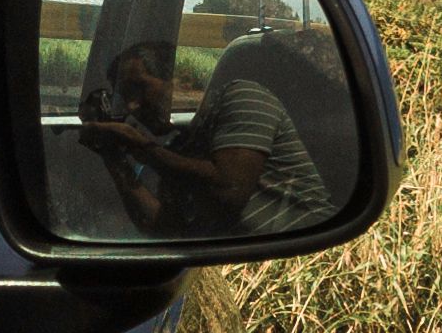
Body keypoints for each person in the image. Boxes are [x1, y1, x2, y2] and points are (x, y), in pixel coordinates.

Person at [76, 39, 334, 235]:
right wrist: (113, 157)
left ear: (183, 81)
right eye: (124, 95)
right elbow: (163, 229)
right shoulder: (180, 148)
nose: (132, 106)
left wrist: (143, 147)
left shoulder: (244, 97)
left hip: (315, 251)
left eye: (140, 87)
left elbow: (229, 189)